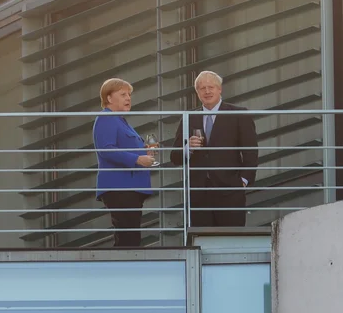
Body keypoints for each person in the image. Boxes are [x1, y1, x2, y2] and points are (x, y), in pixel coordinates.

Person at [170, 71, 258, 227]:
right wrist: (187, 148)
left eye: (211, 87)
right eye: (202, 88)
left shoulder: (239, 114)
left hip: (230, 191)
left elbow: (251, 151)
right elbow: (174, 157)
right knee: (201, 242)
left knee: (231, 241)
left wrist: (243, 181)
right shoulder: (188, 117)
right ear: (197, 93)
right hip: (199, 194)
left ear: (220, 89)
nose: (207, 91)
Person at [94, 78, 156, 247]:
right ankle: (124, 271)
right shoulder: (106, 118)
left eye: (129, 94)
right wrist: (137, 159)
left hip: (131, 187)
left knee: (130, 236)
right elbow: (106, 149)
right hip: (120, 187)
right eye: (122, 94)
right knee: (127, 238)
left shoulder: (120, 120)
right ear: (109, 98)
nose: (128, 98)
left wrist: (145, 152)